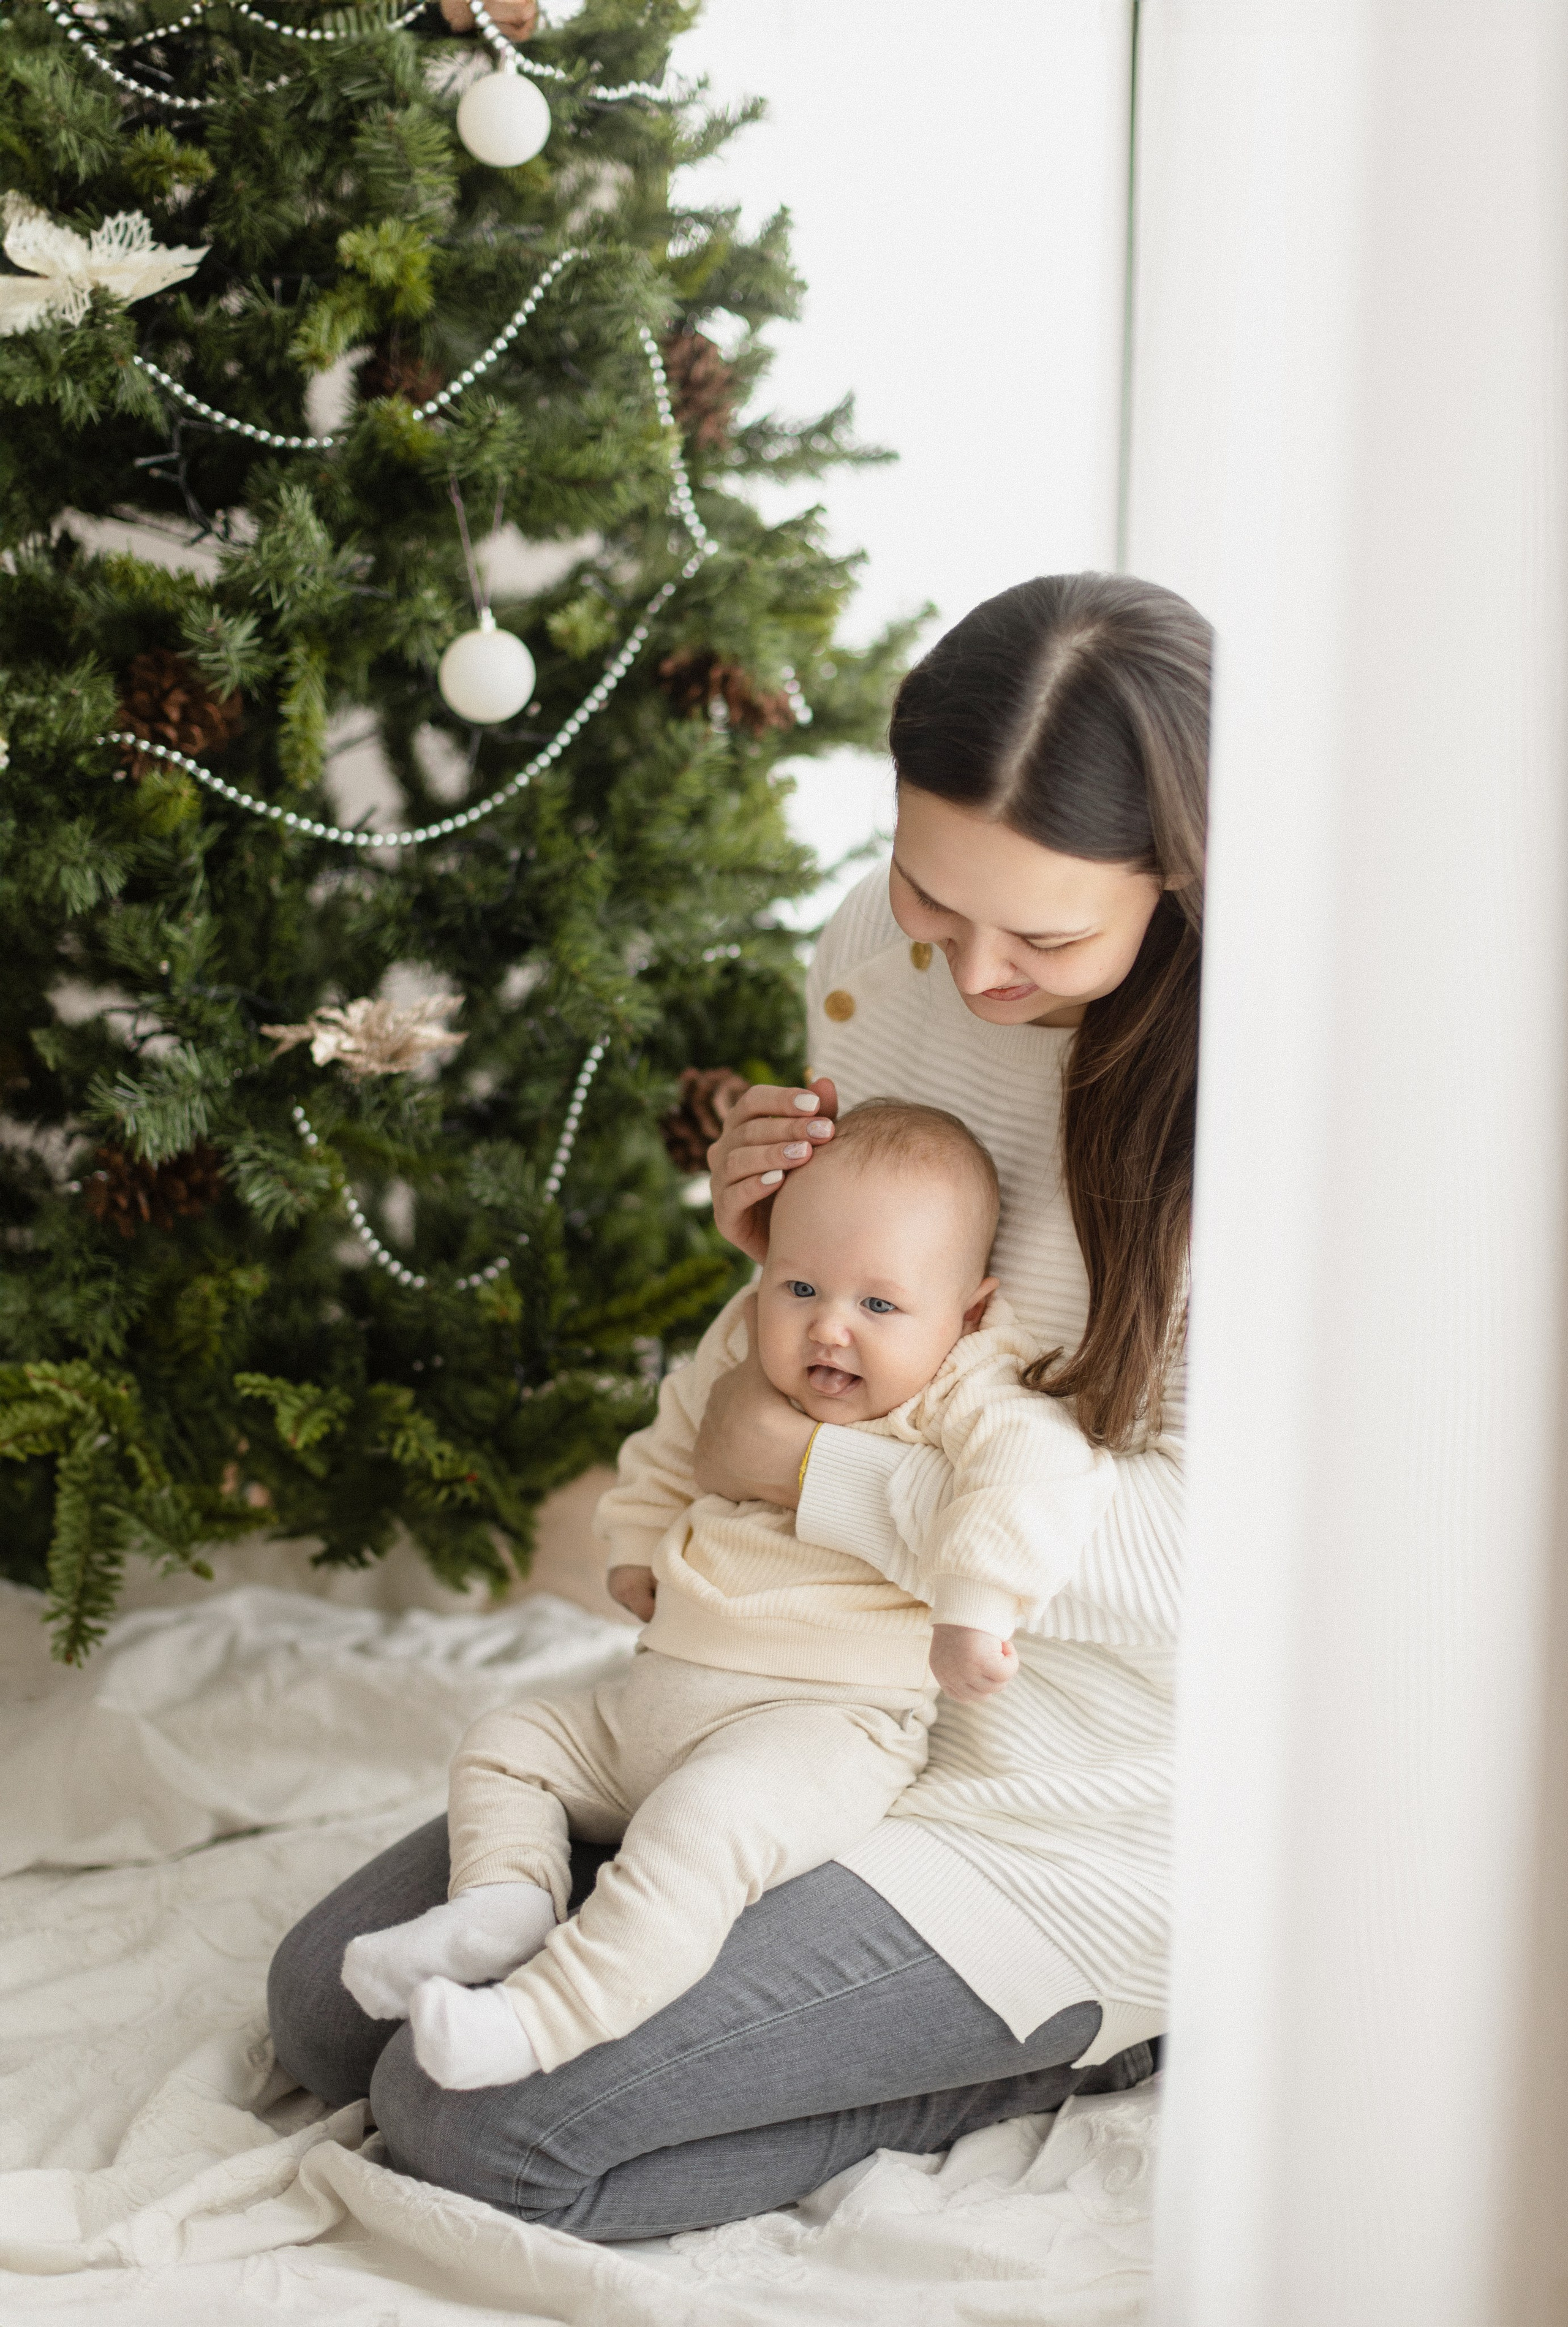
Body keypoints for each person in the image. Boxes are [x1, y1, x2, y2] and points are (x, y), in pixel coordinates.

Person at [268, 570, 1204, 2241]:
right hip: (786, 1680)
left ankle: (1060, 2040)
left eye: (1047, 938)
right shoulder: (877, 949)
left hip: (1056, 1791)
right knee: (326, 2011)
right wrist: (780, 1245)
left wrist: (812, 1468)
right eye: (933, 890)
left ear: (1186, 877)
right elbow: (859, 1294)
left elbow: (1215, 1577)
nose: (974, 969)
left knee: (480, 2134)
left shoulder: (1268, 1100)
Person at [338, 1099, 1110, 2094]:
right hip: (657, 1701)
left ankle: (538, 2018)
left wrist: (976, 1607)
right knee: (510, 1741)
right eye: (800, 1285)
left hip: (818, 1728)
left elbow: (1027, 1483)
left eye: (880, 1306)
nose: (829, 1325)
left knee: (694, 1838)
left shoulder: (973, 1387)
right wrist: (633, 1540)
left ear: (965, 1311)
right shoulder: (750, 1334)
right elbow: (675, 1433)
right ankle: (502, 1902)